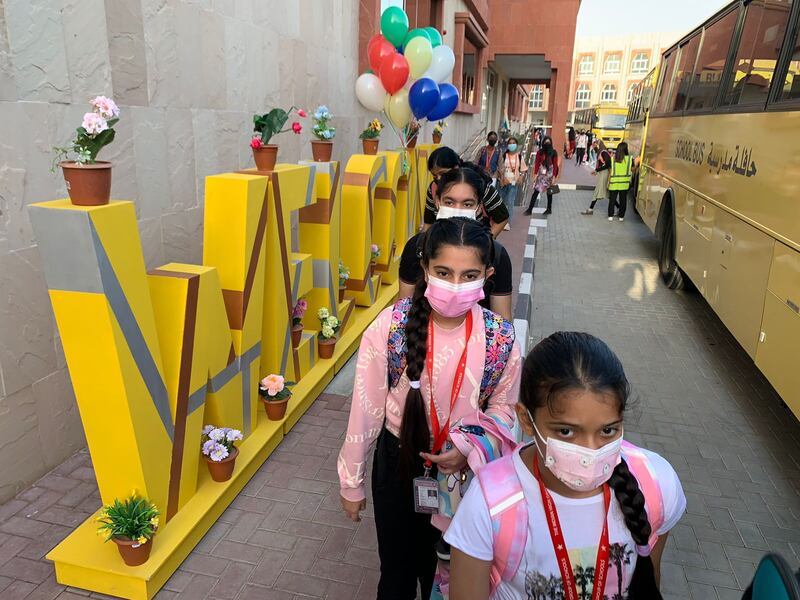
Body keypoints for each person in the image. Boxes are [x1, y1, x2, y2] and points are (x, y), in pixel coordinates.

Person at [338, 216, 522, 600]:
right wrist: (351, 481)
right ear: (424, 269)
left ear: (487, 275)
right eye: (443, 272)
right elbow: (366, 408)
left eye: (469, 274)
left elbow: (506, 409)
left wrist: (471, 447)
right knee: (397, 574)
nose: (455, 285)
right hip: (398, 464)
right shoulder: (390, 327)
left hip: (466, 475)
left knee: (450, 577)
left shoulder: (500, 338)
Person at [445, 331, 687, 600]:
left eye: (607, 430)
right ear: (526, 420)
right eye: (566, 432)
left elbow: (648, 582)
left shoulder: (655, 484)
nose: (590, 451)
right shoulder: (490, 505)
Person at [401, 168, 514, 320]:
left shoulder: (497, 255)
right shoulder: (415, 248)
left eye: (467, 204)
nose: (457, 211)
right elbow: (402, 313)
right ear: (437, 202)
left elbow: (503, 321)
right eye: (449, 202)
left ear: (479, 207)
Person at [422, 146, 509, 238]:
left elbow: (502, 218)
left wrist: (486, 242)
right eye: (434, 176)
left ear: (456, 167)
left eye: (467, 204)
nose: (439, 179)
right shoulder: (433, 188)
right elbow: (428, 222)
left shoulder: (481, 186)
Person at [496, 136, 527, 231]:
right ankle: (500, 221)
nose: (511, 145)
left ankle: (508, 223)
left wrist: (521, 176)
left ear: (516, 145)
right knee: (501, 203)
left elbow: (523, 169)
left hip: (513, 183)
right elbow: (499, 168)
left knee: (510, 202)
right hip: (503, 182)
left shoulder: (519, 156)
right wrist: (501, 179)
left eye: (513, 143)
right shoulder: (504, 155)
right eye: (510, 143)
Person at [523, 136, 560, 216]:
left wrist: (554, 177)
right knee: (536, 191)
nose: (547, 144)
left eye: (548, 142)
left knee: (549, 192)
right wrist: (535, 175)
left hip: (550, 175)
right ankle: (530, 209)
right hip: (541, 175)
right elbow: (536, 164)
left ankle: (549, 209)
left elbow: (555, 165)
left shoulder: (554, 152)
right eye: (545, 142)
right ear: (543, 143)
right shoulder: (540, 152)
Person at [581, 139, 612, 215]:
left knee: (597, 191)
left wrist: (597, 170)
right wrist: (597, 171)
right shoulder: (601, 152)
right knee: (607, 193)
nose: (594, 148)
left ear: (599, 145)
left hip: (604, 174)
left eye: (595, 146)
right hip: (602, 173)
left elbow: (608, 165)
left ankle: (590, 209)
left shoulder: (604, 153)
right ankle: (618, 207)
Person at [608, 141, 633, 222]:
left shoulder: (612, 159)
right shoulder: (629, 159)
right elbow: (633, 169)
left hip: (614, 183)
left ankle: (610, 216)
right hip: (624, 184)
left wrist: (608, 182)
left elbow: (610, 171)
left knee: (612, 200)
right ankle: (621, 217)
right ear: (626, 149)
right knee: (623, 200)